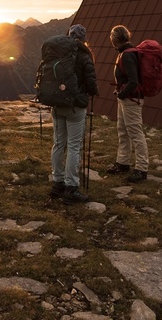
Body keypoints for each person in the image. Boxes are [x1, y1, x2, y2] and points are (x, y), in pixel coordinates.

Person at [48, 24, 99, 204]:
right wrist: (94, 92)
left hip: (57, 104)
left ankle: (57, 183)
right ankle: (71, 188)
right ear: (84, 38)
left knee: (58, 143)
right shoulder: (85, 55)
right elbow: (91, 83)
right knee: (74, 146)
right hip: (76, 106)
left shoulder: (58, 52)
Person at [107, 25, 148, 182]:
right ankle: (123, 162)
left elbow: (133, 81)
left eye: (111, 36)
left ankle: (141, 169)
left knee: (135, 132)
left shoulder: (127, 55)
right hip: (127, 98)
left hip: (131, 99)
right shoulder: (127, 52)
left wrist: (122, 94)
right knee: (123, 130)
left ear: (115, 38)